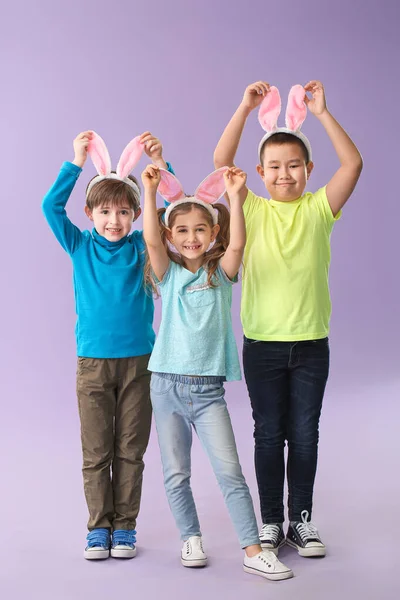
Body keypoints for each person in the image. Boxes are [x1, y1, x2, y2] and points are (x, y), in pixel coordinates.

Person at [213, 80, 363, 557]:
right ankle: (272, 522)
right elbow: (221, 163)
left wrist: (321, 112)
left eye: (293, 165)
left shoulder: (320, 209)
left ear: (308, 169)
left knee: (304, 433)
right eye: (274, 167)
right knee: (268, 433)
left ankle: (302, 520)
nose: (284, 174)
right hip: (262, 345)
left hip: (311, 345)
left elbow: (353, 164)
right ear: (259, 172)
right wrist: (243, 107)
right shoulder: (251, 210)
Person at [141, 163, 293, 581]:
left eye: (200, 230)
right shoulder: (167, 275)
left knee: (230, 472)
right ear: (172, 236)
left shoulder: (220, 274)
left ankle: (253, 549)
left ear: (213, 234)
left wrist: (235, 197)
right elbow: (151, 239)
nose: (192, 238)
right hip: (165, 386)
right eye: (183, 231)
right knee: (176, 473)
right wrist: (150, 192)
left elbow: (239, 245)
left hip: (208, 394)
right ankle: (190, 537)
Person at [42, 130, 175, 560]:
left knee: (130, 452)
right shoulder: (79, 244)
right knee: (97, 451)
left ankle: (125, 527)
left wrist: (162, 163)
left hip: (140, 363)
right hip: (94, 366)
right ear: (89, 212)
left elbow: (175, 217)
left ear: (137, 214)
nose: (113, 220)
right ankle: (98, 527)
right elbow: (50, 207)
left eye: (123, 211)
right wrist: (76, 162)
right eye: (104, 211)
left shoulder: (142, 245)